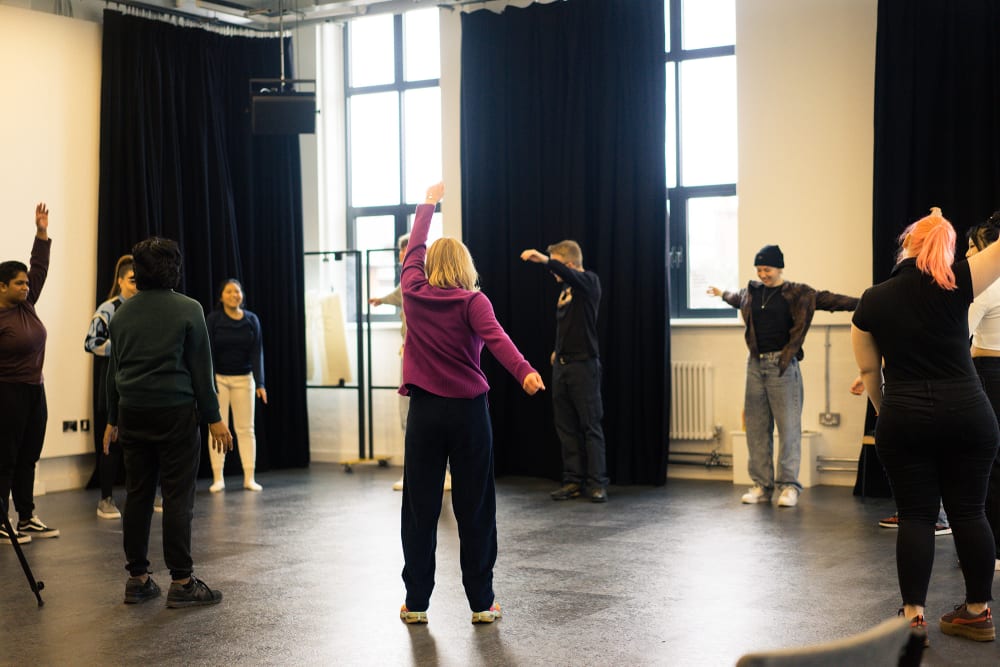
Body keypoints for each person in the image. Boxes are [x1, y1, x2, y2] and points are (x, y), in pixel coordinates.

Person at [397, 182, 544, 626]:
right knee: (475, 506)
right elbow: (497, 338)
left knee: (420, 507)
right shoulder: (472, 300)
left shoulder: (413, 292)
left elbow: (413, 253)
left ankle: (416, 603)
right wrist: (524, 372)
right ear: (465, 266)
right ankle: (482, 603)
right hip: (467, 414)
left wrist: (427, 204)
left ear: (426, 266)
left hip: (424, 414)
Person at [852, 207, 1000, 645]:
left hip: (905, 416)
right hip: (969, 414)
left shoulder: (872, 299)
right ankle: (977, 613)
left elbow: (868, 372)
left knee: (917, 515)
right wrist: (943, 225)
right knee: (970, 512)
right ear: (948, 249)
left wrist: (886, 411)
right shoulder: (959, 281)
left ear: (906, 246)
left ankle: (913, 617)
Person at [104, 236, 233, 607]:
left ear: (137, 272)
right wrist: (214, 418)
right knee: (178, 496)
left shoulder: (122, 313)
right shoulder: (188, 309)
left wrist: (112, 419)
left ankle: (138, 579)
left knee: (138, 495)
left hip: (132, 412)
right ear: (174, 268)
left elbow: (114, 372)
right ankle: (182, 582)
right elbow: (200, 371)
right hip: (175, 413)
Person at [708, 245, 858, 508]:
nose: (762, 274)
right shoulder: (752, 293)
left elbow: (829, 300)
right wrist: (721, 294)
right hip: (755, 365)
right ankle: (761, 486)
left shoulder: (797, 293)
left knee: (788, 428)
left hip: (783, 365)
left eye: (767, 269)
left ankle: (789, 486)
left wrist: (864, 301)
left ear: (779, 268)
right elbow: (735, 297)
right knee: (756, 427)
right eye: (759, 269)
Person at [520, 241, 608, 502]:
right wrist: (558, 350)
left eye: (556, 264)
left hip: (585, 366)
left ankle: (596, 482)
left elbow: (573, 275)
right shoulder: (567, 289)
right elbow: (568, 325)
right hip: (563, 367)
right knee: (566, 426)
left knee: (590, 425)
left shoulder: (589, 282)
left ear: (568, 264)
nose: (552, 271)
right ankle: (573, 480)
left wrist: (545, 260)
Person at [369, 234, 451, 493]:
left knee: (425, 412)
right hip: (409, 352)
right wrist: (381, 300)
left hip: (421, 354)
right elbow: (399, 294)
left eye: (403, 251)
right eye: (400, 251)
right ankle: (417, 473)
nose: (400, 255)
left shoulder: (424, 279)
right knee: (408, 413)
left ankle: (440, 473)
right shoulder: (410, 280)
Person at [0, 203, 60, 544]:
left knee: (28, 454)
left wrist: (41, 232)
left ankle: (25, 517)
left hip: (35, 390)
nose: (26, 287)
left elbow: (39, 267)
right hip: (7, 391)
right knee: (5, 457)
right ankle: (0, 520)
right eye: (18, 283)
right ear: (1, 286)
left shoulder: (26, 303)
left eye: (26, 283)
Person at [848, 376, 952, 536]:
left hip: (931, 388)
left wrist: (866, 375)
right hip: (904, 387)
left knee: (930, 452)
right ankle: (908, 513)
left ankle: (939, 518)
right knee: (907, 452)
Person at [85, 255, 137, 519]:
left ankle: (145, 494)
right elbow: (91, 342)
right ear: (120, 281)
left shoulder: (146, 306)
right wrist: (123, 349)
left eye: (139, 280)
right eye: (131, 280)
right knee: (111, 442)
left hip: (140, 387)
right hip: (114, 383)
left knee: (141, 443)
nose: (136, 284)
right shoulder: (108, 308)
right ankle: (106, 498)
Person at [206, 279, 267, 493]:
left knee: (246, 429)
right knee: (217, 429)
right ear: (221, 296)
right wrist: (209, 382)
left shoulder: (251, 320)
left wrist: (260, 383)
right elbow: (208, 353)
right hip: (219, 380)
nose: (235, 295)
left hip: (244, 379)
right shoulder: (213, 320)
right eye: (229, 291)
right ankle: (218, 477)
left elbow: (256, 352)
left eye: (238, 291)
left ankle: (249, 477)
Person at [965, 213, 1000, 572]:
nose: (967, 254)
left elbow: (958, 335)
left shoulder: (987, 288)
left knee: (988, 464)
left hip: (989, 374)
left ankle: (992, 549)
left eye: (972, 247)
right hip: (990, 373)